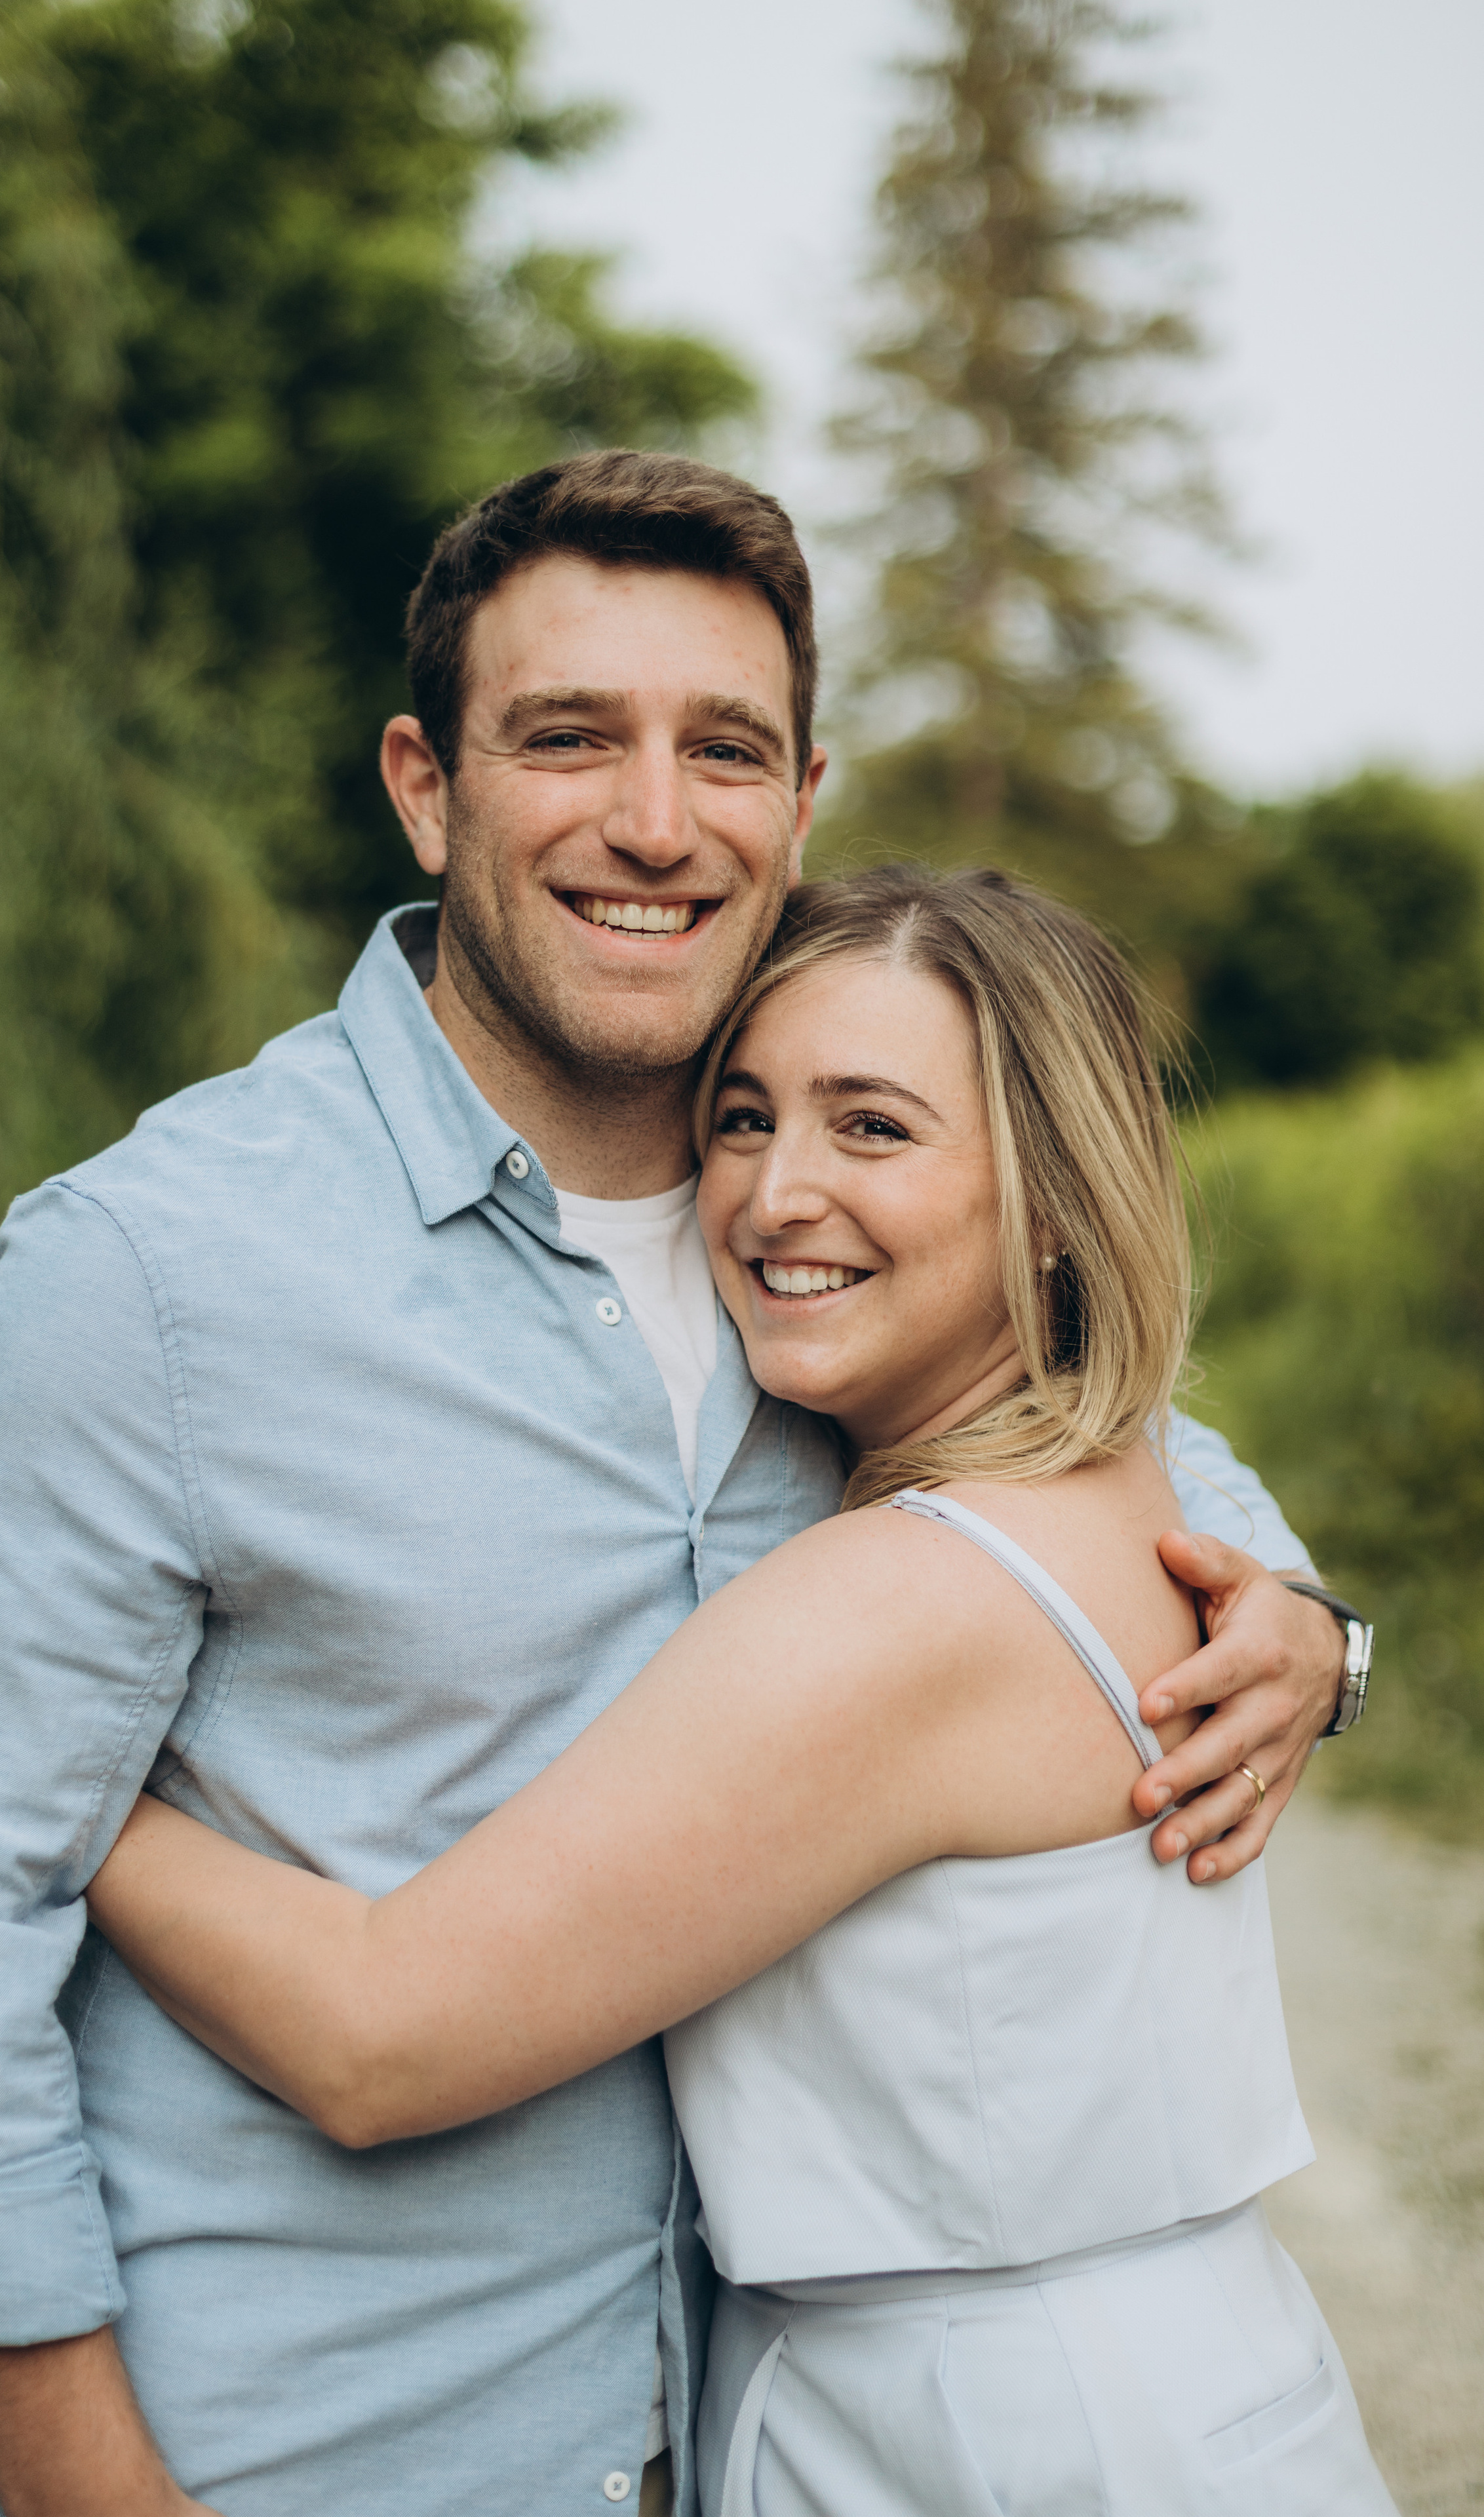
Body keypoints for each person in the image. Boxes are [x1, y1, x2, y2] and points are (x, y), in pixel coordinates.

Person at [0, 454, 1356, 2517]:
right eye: (567, 738)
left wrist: (1310, 1621)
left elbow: (1101, 1436)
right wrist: (75, 2473)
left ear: (799, 801)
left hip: (731, 2433)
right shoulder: (154, 1273)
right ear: (425, 785)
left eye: (721, 747)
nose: (654, 819)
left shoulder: (809, 1279)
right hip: (293, 2449)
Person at [86, 862, 1397, 2515]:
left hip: (995, 2446)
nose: (777, 1195)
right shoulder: (1131, 1498)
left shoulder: (899, 1600)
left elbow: (376, 2033)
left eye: (872, 1128)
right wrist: (1321, 1632)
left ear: (1055, 1194)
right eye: (740, 1118)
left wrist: (71, 1787)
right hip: (1162, 2385)